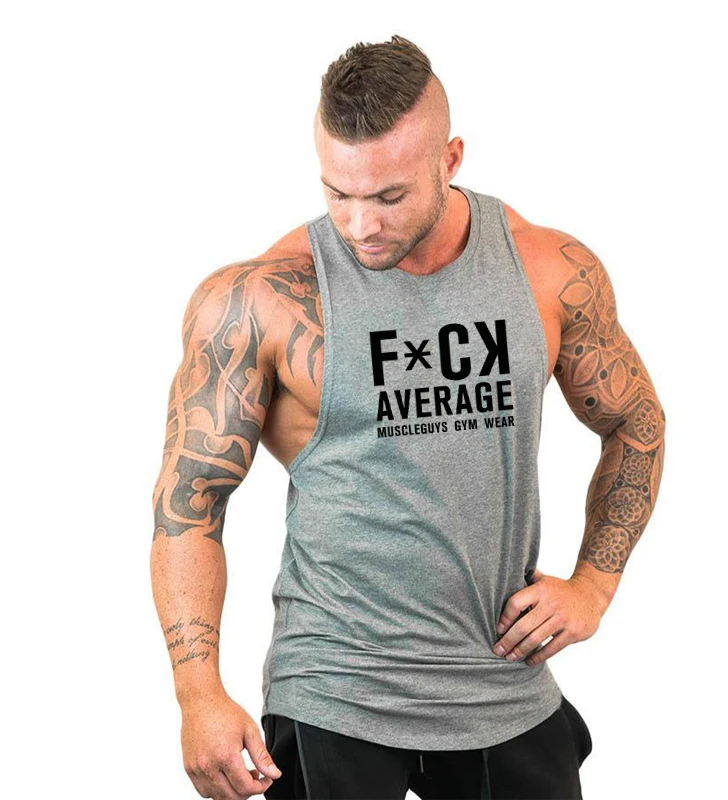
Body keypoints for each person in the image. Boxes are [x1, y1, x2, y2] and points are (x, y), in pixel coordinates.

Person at [150, 34, 665, 800]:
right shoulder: (260, 299)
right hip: (335, 688)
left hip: (502, 683)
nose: (360, 225)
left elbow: (635, 423)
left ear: (450, 160)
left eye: (388, 198)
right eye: (339, 194)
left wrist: (594, 585)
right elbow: (190, 503)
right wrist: (199, 696)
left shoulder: (548, 271)